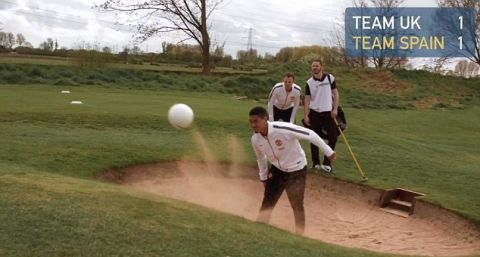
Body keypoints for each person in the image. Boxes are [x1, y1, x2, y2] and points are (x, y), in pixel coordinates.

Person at [249, 106, 336, 235]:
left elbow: (310, 134)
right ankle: (259, 228)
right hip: (278, 170)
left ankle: (299, 234)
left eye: (256, 121)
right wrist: (263, 177)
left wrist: (328, 151)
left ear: (265, 119)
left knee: (297, 204)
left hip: (297, 170)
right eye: (251, 122)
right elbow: (261, 158)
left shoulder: (282, 129)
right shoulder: (255, 139)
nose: (253, 125)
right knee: (268, 200)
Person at [303, 59, 340, 174]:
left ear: (321, 67)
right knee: (314, 138)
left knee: (333, 136)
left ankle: (326, 164)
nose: (315, 67)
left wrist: (335, 108)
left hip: (328, 113)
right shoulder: (309, 82)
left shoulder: (329, 78)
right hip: (314, 113)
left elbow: (336, 93)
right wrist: (306, 115)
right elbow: (307, 99)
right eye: (313, 66)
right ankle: (316, 164)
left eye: (317, 66)